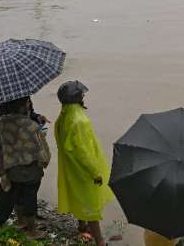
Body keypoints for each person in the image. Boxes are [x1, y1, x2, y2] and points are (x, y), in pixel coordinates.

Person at [54, 81, 114, 246]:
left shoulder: (64, 115)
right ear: (77, 97)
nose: (84, 96)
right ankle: (100, 241)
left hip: (71, 168)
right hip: (83, 170)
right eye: (82, 94)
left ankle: (81, 225)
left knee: (78, 196)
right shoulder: (79, 120)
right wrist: (94, 172)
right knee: (91, 204)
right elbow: (83, 152)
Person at [0, 96, 51, 239]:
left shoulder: (1, 122)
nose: (29, 104)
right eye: (27, 103)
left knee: (17, 194)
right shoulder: (31, 126)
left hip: (11, 167)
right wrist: (41, 134)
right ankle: (32, 231)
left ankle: (20, 222)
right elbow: (41, 153)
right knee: (30, 198)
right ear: (22, 106)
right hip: (29, 170)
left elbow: (2, 146)